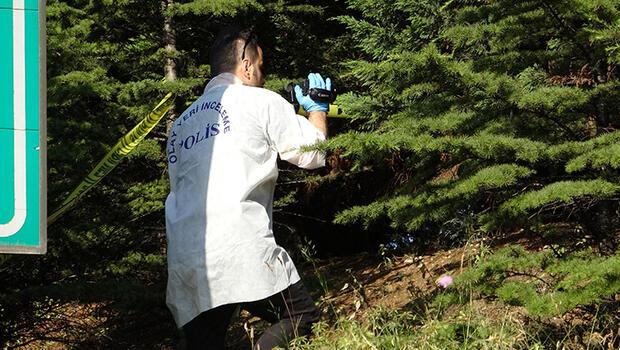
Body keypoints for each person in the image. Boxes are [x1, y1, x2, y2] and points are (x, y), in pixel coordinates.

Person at [164, 26, 330, 350]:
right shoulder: (260, 101)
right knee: (301, 315)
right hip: (241, 247)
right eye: (262, 67)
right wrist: (317, 108)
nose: (263, 76)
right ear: (248, 65)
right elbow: (314, 153)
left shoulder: (180, 125)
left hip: (187, 261)